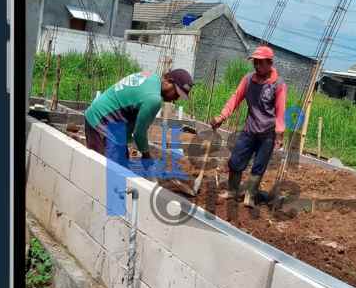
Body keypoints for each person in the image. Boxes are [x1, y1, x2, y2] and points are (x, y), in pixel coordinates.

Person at [211, 46, 287, 207]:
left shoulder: (278, 85)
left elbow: (280, 111)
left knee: (259, 166)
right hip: (249, 129)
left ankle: (250, 196)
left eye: (260, 63)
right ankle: (232, 191)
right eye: (255, 63)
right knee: (236, 161)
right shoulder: (248, 80)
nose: (257, 66)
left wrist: (279, 134)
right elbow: (235, 98)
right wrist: (222, 116)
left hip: (268, 133)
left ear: (270, 63)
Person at [84, 68, 193, 165]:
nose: (175, 99)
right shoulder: (154, 99)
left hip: (101, 117)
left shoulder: (151, 76)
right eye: (176, 93)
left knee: (120, 167)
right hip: (102, 124)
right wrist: (146, 156)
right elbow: (139, 133)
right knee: (111, 173)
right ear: (169, 81)